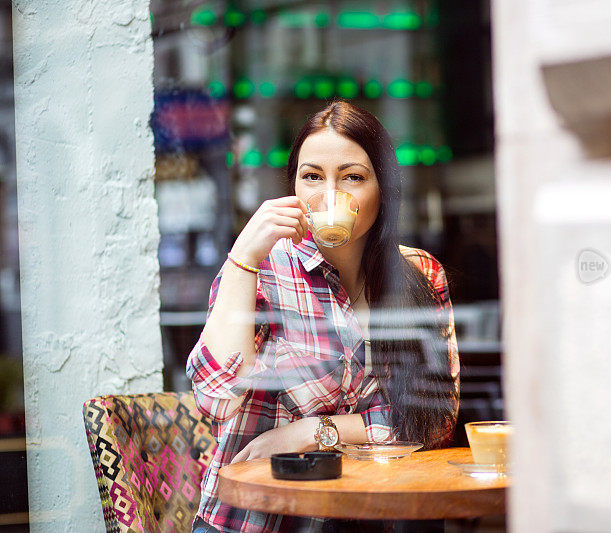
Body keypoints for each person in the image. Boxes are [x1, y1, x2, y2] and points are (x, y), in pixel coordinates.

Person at [187, 101, 460, 533]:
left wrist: (310, 432)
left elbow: (432, 422)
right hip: (258, 519)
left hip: (368, 515)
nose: (329, 195)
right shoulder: (263, 268)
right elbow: (215, 400)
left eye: (352, 177)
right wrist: (242, 256)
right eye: (312, 177)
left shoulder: (420, 274)